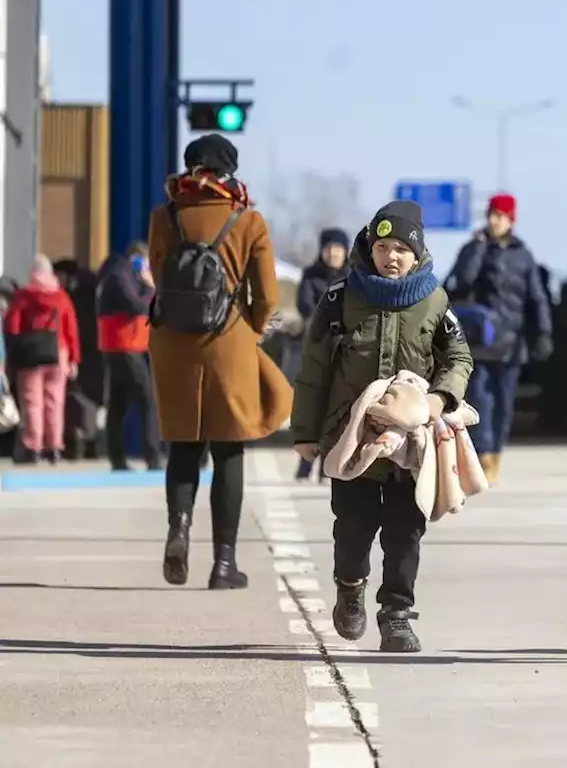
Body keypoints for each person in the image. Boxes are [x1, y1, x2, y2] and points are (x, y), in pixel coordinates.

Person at [291, 200, 473, 653]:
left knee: (405, 530)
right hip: (351, 438)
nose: (391, 257)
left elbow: (459, 358)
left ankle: (396, 614)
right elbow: (313, 367)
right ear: (369, 249)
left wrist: (438, 398)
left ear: (417, 254)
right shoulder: (339, 298)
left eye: (401, 250)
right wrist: (306, 434)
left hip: (411, 443)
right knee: (352, 526)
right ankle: (350, 588)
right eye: (383, 247)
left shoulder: (435, 300)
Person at [148, 133, 293, 590]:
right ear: (230, 170)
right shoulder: (246, 219)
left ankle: (179, 529)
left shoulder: (165, 215)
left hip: (173, 342)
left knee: (184, 443)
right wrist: (249, 326)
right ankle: (224, 564)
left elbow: (158, 275)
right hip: (228, 338)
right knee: (229, 448)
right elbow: (267, 294)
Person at [444, 193, 552, 484]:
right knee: (480, 399)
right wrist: (478, 249)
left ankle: (496, 453)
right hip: (479, 340)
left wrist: (542, 331)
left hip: (512, 342)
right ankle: (484, 453)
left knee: (504, 403)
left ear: (510, 220)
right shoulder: (474, 248)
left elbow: (537, 297)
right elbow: (461, 282)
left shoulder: (523, 255)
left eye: (500, 216)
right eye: (491, 214)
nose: (494, 220)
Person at [4, 255, 80, 463]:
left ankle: (33, 446)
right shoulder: (61, 296)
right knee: (55, 402)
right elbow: (71, 329)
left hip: (30, 356)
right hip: (59, 354)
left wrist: (13, 354)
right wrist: (74, 358)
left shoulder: (24, 296)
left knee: (31, 401)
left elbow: (12, 325)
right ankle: (54, 447)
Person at [95, 242, 161, 470]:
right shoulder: (119, 275)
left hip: (122, 345)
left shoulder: (119, 275)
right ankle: (151, 456)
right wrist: (150, 288)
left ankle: (117, 459)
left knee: (118, 403)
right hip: (124, 346)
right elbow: (135, 306)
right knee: (146, 398)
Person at [294, 228, 350, 481]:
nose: (333, 253)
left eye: (338, 248)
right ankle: (306, 465)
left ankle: (330, 465)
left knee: (338, 408)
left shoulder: (354, 276)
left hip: (345, 350)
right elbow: (305, 305)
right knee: (313, 406)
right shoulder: (311, 275)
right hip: (318, 347)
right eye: (328, 248)